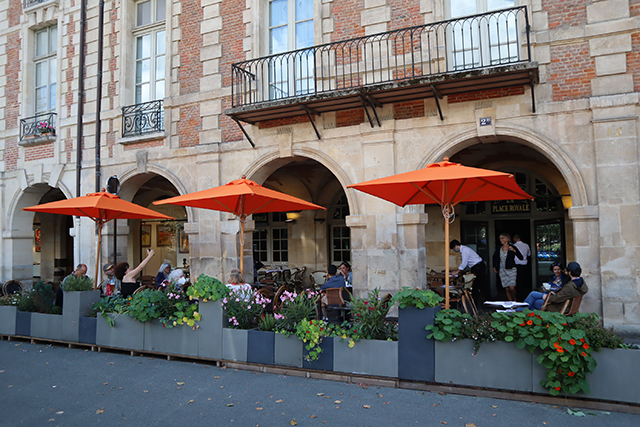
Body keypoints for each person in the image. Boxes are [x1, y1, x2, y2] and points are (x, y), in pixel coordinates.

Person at [523, 262, 587, 312]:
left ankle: (519, 313)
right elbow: (563, 295)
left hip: (558, 308)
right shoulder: (582, 284)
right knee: (533, 295)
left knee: (534, 301)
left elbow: (555, 299)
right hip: (564, 304)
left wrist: (546, 296)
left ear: (569, 273)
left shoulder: (570, 286)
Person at [450, 239, 489, 305]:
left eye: (454, 248)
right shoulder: (464, 249)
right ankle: (476, 301)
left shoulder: (465, 250)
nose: (455, 250)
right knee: (476, 285)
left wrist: (456, 272)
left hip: (478, 267)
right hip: (476, 266)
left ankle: (485, 300)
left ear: (456, 246)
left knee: (480, 284)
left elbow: (464, 263)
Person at [492, 233, 523, 302]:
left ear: (507, 239)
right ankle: (510, 302)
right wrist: (494, 266)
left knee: (512, 287)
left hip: (511, 269)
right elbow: (494, 257)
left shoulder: (512, 247)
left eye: (503, 238)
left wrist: (514, 250)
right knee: (507, 288)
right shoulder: (499, 248)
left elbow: (521, 257)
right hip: (502, 269)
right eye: (500, 238)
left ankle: (515, 300)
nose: (501, 240)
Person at [512, 234, 531, 299]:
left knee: (517, 281)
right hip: (524, 264)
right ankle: (524, 294)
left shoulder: (513, 246)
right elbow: (529, 254)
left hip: (516, 265)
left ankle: (519, 295)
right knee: (523, 280)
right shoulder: (526, 245)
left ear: (514, 239)